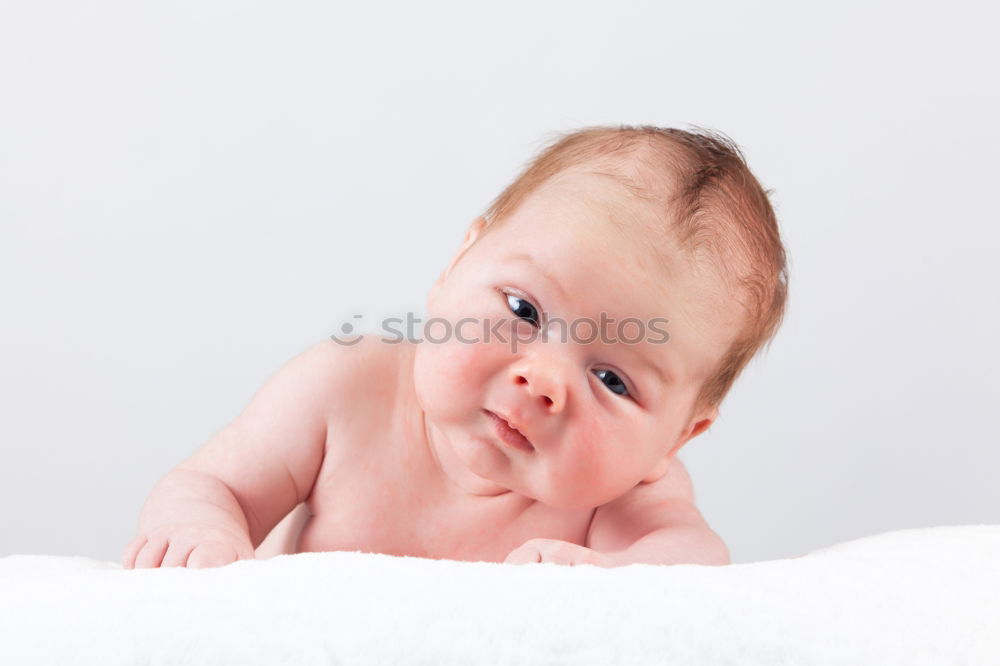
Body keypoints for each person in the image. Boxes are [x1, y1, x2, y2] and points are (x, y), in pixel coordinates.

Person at [123, 125, 788, 569]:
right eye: (525, 310)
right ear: (456, 265)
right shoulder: (344, 389)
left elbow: (694, 557)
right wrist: (203, 532)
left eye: (613, 380)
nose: (545, 380)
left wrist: (611, 575)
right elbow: (213, 485)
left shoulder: (626, 491)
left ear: (676, 439)